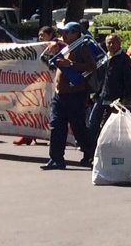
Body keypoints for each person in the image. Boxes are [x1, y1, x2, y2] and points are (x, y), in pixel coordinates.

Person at [42, 22, 102, 171]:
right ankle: (56, 159)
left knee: (78, 128)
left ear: (75, 33)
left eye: (66, 32)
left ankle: (91, 154)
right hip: (60, 95)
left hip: (75, 95)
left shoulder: (83, 47)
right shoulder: (66, 46)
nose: (63, 35)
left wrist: (71, 64)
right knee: (56, 126)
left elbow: (92, 66)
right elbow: (51, 63)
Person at [87, 33, 131, 144]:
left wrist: (126, 98)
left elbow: (129, 80)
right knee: (93, 123)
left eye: (114, 42)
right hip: (102, 96)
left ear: (119, 44)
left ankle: (108, 147)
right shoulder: (104, 58)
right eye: (108, 43)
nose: (111, 45)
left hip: (116, 99)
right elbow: (100, 77)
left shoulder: (124, 59)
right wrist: (95, 93)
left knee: (110, 126)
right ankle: (90, 148)